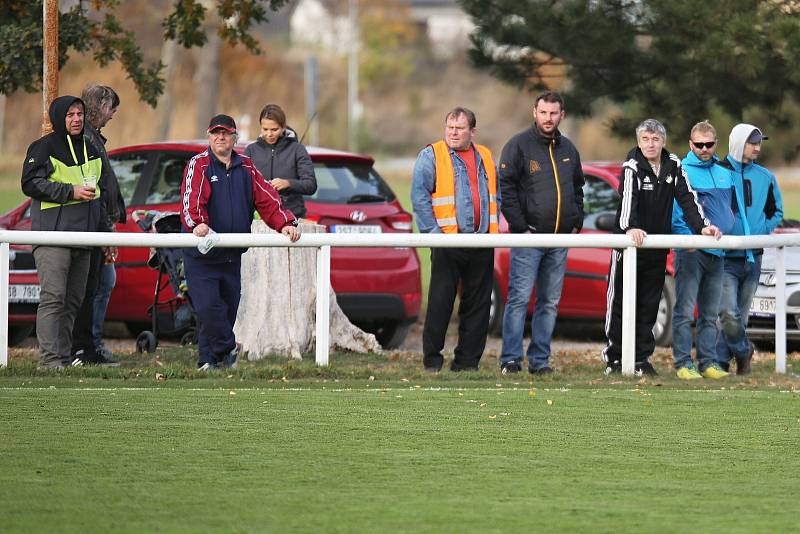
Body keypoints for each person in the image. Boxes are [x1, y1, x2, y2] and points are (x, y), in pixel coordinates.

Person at [181, 114, 301, 370]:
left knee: (225, 310)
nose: (220, 137)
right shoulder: (199, 164)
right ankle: (228, 348)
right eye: (215, 133)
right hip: (203, 255)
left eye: (225, 133)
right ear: (209, 136)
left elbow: (268, 199)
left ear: (235, 137)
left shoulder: (246, 166)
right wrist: (198, 222)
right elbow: (191, 200)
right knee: (208, 308)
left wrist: (286, 223)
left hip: (232, 254)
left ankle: (208, 362)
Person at [602, 119, 721, 376]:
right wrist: (629, 228)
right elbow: (626, 204)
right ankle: (615, 359)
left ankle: (640, 359)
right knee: (621, 304)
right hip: (628, 249)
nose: (650, 144)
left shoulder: (673, 165)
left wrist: (703, 227)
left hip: (656, 249)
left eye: (655, 139)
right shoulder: (632, 166)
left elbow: (688, 199)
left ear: (663, 141)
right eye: (645, 139)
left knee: (649, 305)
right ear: (638, 141)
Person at [497, 91, 585, 375]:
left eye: (554, 113)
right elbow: (506, 189)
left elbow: (579, 188)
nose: (548, 118)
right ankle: (511, 359)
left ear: (562, 115)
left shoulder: (569, 149)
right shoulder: (518, 146)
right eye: (543, 112)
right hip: (529, 239)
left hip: (559, 241)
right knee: (519, 299)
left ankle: (539, 361)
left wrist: (576, 220)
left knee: (549, 303)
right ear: (534, 112)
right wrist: (521, 227)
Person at [411, 107, 499, 372]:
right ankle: (432, 362)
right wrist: (435, 236)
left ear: (473, 131)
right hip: (447, 242)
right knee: (440, 303)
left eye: (459, 128)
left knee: (478, 306)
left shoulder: (485, 155)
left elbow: (496, 195)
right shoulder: (431, 155)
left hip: (481, 242)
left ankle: (467, 363)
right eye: (450, 127)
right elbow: (420, 198)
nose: (453, 132)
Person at [21, 95, 104, 369]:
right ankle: (49, 361)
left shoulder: (92, 149)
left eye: (80, 113)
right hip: (53, 237)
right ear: (59, 118)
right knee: (53, 298)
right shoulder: (43, 147)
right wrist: (70, 192)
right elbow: (30, 183)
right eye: (70, 115)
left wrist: (105, 231)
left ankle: (64, 359)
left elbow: (100, 195)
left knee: (73, 302)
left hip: (85, 238)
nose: (77, 119)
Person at [671, 121, 738, 380]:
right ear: (690, 144)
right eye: (698, 144)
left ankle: (707, 362)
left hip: (718, 251)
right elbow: (678, 213)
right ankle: (683, 363)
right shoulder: (682, 171)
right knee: (686, 310)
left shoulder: (723, 173)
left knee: (710, 312)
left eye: (708, 144)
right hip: (691, 251)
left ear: (715, 144)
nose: (703, 149)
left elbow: (730, 209)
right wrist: (688, 241)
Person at [715, 124, 783, 374]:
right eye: (751, 142)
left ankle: (721, 363)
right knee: (728, 314)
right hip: (724, 258)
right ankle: (744, 351)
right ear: (737, 143)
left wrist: (760, 232)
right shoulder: (718, 172)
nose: (757, 147)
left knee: (740, 318)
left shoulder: (766, 176)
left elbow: (776, 212)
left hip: (754, 258)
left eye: (759, 143)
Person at [70, 83, 126, 366]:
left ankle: (90, 345)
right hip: (94, 228)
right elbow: (98, 192)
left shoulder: (93, 140)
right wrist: (107, 231)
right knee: (94, 287)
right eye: (111, 108)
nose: (113, 114)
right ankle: (86, 348)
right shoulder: (89, 143)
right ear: (101, 107)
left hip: (97, 226)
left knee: (102, 283)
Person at [244, 104, 317, 218]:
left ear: (283, 127)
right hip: (258, 219)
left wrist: (288, 183)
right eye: (265, 129)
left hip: (292, 217)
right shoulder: (251, 150)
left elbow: (311, 185)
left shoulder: (297, 150)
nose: (269, 134)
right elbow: (241, 184)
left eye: (274, 129)